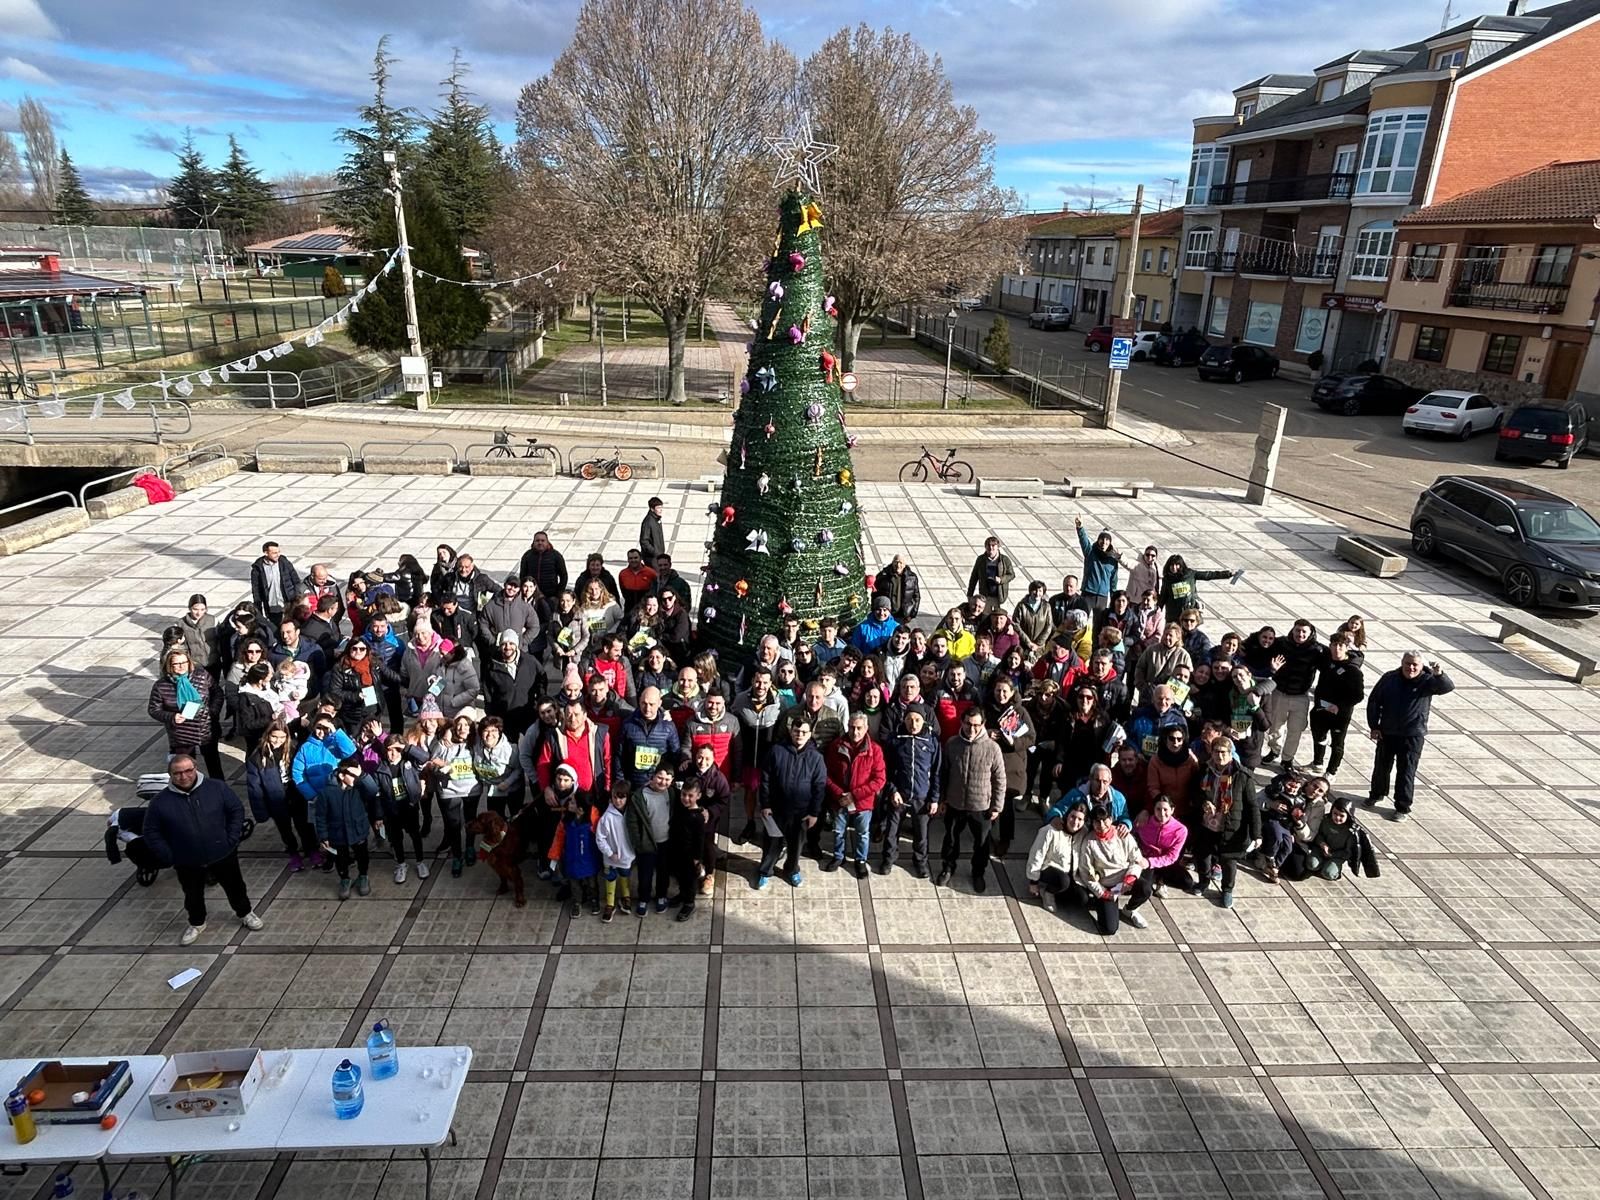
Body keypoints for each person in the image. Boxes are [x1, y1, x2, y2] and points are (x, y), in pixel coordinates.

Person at [142, 755, 263, 945]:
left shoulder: (216, 788)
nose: (184, 776)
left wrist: (231, 838)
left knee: (235, 887)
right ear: (170, 775)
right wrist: (170, 855)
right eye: (178, 773)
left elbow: (236, 811)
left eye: (188, 770)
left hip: (222, 853)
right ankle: (197, 923)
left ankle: (245, 913)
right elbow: (151, 832)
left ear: (195, 768)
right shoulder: (160, 802)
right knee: (193, 895)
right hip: (187, 860)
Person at [1365, 651, 1453, 821]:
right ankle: (1376, 794)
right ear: (1402, 663)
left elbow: (1447, 687)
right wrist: (1374, 726)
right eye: (1408, 664)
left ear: (1421, 666)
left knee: (1406, 771)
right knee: (1381, 766)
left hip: (1413, 735)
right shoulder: (1390, 678)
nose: (1411, 668)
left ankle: (1402, 807)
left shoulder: (1427, 681)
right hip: (1387, 732)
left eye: (1415, 665)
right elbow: (1374, 701)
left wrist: (1439, 674)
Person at [936, 709, 1007, 892]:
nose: (972, 728)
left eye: (976, 725)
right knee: (951, 839)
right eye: (968, 724)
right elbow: (944, 773)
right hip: (955, 802)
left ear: (983, 724)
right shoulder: (952, 744)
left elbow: (1000, 779)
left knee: (981, 844)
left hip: (981, 806)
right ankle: (948, 867)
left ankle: (978, 873)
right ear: (962, 722)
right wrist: (942, 799)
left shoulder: (992, 748)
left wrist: (997, 806)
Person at [755, 713, 827, 890]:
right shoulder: (776, 751)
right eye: (797, 731)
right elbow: (765, 779)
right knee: (772, 844)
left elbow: (819, 787)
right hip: (776, 810)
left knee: (796, 846)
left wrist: (814, 813)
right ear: (791, 731)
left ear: (810, 734)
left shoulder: (816, 758)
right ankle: (765, 871)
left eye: (804, 732)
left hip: (801, 813)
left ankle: (792, 870)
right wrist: (765, 804)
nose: (800, 735)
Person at [1195, 734, 1260, 907]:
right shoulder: (1205, 770)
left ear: (1231, 754)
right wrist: (1204, 802)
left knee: (1228, 861)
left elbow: (1252, 806)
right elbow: (1196, 792)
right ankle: (1203, 881)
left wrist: (1256, 834)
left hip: (1231, 825)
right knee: (1203, 855)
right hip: (1207, 823)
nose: (1220, 756)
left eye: (1224, 752)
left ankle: (1227, 890)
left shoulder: (1242, 776)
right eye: (1216, 751)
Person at [247, 721, 320, 872]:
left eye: (281, 737)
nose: (277, 741)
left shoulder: (293, 749)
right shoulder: (257, 757)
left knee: (305, 825)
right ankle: (293, 852)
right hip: (275, 798)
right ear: (268, 735)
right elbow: (254, 787)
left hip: (296, 794)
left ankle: (312, 850)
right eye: (274, 737)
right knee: (285, 828)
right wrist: (260, 811)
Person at [148, 645, 226, 779]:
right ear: (169, 666)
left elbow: (217, 692)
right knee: (186, 768)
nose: (181, 666)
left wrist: (212, 711)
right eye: (176, 663)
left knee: (214, 765)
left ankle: (219, 790)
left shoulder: (202, 675)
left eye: (184, 662)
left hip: (205, 727)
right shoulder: (161, 685)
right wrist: (171, 716)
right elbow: (153, 709)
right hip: (181, 732)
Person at [824, 712, 885, 878]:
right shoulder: (836, 746)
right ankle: (838, 856)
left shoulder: (875, 750)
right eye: (852, 727)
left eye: (859, 728)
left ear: (866, 729)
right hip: (840, 800)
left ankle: (860, 860)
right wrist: (839, 794)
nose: (855, 731)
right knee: (838, 831)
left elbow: (879, 779)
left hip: (863, 802)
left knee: (862, 833)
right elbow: (826, 774)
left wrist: (854, 795)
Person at [1076, 804, 1152, 932]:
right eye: (1097, 822)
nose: (1101, 825)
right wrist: (1102, 892)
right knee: (1109, 928)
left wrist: (1131, 876)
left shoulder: (1122, 835)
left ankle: (1130, 910)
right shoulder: (1089, 843)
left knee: (1145, 888)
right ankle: (1100, 904)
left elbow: (1137, 859)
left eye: (1104, 820)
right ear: (1092, 823)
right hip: (1107, 886)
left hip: (1126, 880)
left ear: (1111, 819)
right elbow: (1086, 874)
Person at [314, 759, 378, 900]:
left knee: (362, 855)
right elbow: (320, 816)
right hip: (337, 833)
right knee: (341, 858)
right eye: (353, 775)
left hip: (358, 829)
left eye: (357, 775)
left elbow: (373, 791)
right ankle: (345, 878)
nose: (356, 778)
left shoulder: (359, 787)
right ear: (342, 776)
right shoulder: (327, 793)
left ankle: (363, 876)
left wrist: (362, 776)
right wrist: (323, 836)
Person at [372, 737, 428, 883]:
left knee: (415, 834)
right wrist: (378, 815)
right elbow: (377, 794)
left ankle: (420, 861)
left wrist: (406, 747)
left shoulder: (409, 763)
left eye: (397, 750)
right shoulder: (380, 769)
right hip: (391, 810)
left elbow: (424, 757)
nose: (393, 754)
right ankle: (401, 864)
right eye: (389, 750)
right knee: (396, 839)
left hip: (409, 807)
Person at [1310, 632, 1365, 780]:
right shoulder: (1327, 660)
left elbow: (1358, 695)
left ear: (1346, 647)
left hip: (1340, 713)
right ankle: (1317, 762)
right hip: (1321, 708)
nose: (1337, 648)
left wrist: (1339, 706)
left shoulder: (1353, 670)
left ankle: (1331, 772)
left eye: (1341, 645)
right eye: (1334, 645)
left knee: (1337, 743)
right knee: (1318, 735)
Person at [626, 762, 676, 914]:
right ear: (652, 777)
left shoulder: (672, 793)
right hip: (647, 844)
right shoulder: (639, 796)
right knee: (645, 874)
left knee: (663, 872)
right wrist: (638, 842)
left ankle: (661, 896)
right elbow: (632, 822)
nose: (663, 782)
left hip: (665, 842)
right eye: (660, 778)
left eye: (667, 779)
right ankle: (643, 899)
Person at [665, 776, 716, 921]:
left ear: (698, 796)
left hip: (690, 856)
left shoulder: (698, 817)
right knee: (680, 876)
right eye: (684, 794)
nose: (686, 798)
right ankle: (682, 895)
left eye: (690, 796)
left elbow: (700, 840)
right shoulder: (681, 808)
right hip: (677, 850)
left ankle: (689, 903)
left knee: (690, 880)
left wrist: (697, 859)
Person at [1026, 800, 1086, 912]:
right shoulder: (1050, 830)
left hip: (1070, 873)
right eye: (1073, 817)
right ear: (1067, 815)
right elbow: (1036, 855)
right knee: (1063, 881)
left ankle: (1058, 892)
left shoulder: (1083, 833)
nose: (1075, 822)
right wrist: (1033, 881)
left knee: (1082, 899)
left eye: (1080, 819)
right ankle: (1048, 892)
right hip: (1049, 869)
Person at [595, 779, 636, 922]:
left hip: (627, 857)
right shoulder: (606, 818)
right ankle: (610, 904)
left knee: (625, 876)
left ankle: (626, 898)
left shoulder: (632, 813)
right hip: (610, 858)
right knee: (610, 878)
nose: (618, 801)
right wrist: (609, 853)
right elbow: (600, 838)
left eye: (622, 797)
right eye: (615, 797)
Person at [1133, 794, 1190, 895]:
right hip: (1146, 859)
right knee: (1144, 888)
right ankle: (1154, 879)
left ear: (1172, 810)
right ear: (1153, 809)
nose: (1162, 813)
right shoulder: (1144, 822)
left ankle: (1161, 880)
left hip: (1164, 861)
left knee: (1187, 882)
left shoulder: (1180, 830)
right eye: (1158, 809)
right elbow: (1132, 837)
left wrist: (1151, 862)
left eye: (1165, 809)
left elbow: (1172, 857)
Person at [1158, 553, 1239, 625]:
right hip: (1173, 615)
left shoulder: (1190, 574)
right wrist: (1157, 609)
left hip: (1189, 613)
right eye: (1171, 565)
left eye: (1177, 565)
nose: (1174, 567)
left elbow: (1209, 575)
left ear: (1181, 565)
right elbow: (1163, 596)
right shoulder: (1167, 580)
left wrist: (1228, 574)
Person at [1074, 518, 1123, 611]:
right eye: (1102, 539)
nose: (1104, 542)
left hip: (1102, 596)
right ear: (1098, 540)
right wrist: (1080, 528)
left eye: (1107, 540)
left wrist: (1113, 598)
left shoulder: (1112, 560)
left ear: (1110, 542)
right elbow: (1084, 541)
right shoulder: (1090, 552)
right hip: (1088, 593)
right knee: (1082, 619)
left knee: (1099, 623)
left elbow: (1113, 581)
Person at [250, 540, 301, 627]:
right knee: (276, 628)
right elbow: (256, 590)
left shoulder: (284, 562)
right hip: (272, 605)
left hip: (288, 603)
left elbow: (296, 580)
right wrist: (258, 609)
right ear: (266, 553)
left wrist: (296, 596)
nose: (277, 555)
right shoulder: (258, 569)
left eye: (278, 552)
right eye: (274, 553)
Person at [180, 594, 221, 678]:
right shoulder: (181, 624)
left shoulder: (213, 620)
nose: (199, 613)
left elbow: (220, 639)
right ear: (189, 608)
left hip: (214, 662)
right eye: (195, 609)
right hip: (195, 665)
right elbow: (182, 647)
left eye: (202, 609)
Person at [967, 536, 1015, 606]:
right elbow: (974, 577)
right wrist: (970, 594)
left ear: (998, 547)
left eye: (993, 545)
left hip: (999, 595)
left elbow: (1011, 575)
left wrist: (1001, 579)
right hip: (985, 595)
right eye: (988, 545)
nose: (990, 548)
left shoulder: (1004, 560)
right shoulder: (981, 560)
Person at [519, 531, 569, 599]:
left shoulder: (556, 556)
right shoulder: (527, 556)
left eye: (543, 540)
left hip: (551, 595)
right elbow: (522, 575)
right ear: (533, 542)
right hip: (532, 594)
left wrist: (559, 592)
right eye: (537, 540)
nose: (540, 543)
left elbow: (564, 575)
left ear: (547, 542)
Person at [1012, 581, 1054, 661]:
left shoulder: (1047, 607)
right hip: (1023, 645)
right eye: (1035, 590)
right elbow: (1016, 625)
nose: (1037, 593)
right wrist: (1028, 643)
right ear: (1030, 591)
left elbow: (1049, 626)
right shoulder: (1021, 606)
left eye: (1040, 591)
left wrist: (1038, 644)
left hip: (1039, 648)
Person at [875, 555, 921, 623]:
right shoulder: (883, 576)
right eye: (896, 562)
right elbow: (875, 593)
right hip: (886, 614)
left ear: (904, 565)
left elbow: (916, 596)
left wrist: (912, 614)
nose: (898, 565)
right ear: (892, 563)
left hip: (903, 616)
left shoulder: (912, 578)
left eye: (901, 563)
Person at [640, 497, 667, 566]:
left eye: (661, 507)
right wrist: (655, 552)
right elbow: (644, 541)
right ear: (652, 509)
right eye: (658, 508)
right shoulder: (648, 522)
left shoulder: (656, 519)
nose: (661, 510)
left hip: (658, 556)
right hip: (652, 558)